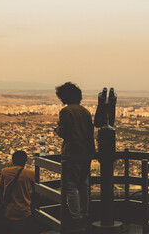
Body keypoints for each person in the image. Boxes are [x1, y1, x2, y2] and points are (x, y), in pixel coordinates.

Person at [55, 82, 95, 230]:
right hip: (86, 153)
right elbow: (90, 134)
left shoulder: (66, 112)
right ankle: (85, 214)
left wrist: (56, 130)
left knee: (71, 187)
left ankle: (75, 218)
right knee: (84, 185)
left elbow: (65, 133)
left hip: (72, 153)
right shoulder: (85, 111)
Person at [0, 150, 36, 234]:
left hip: (9, 211)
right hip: (25, 212)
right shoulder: (30, 173)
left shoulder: (4, 172)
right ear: (25, 161)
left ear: (12, 160)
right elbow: (36, 191)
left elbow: (2, 188)